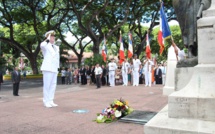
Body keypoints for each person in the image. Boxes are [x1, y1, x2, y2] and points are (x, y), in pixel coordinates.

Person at [40, 30, 60, 108]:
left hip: (54, 68)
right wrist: (47, 40)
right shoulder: (45, 45)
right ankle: (46, 101)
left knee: (53, 86)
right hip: (48, 68)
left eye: (54, 36)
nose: (53, 38)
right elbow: (42, 45)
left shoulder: (56, 47)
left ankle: (51, 100)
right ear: (48, 37)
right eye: (51, 36)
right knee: (47, 85)